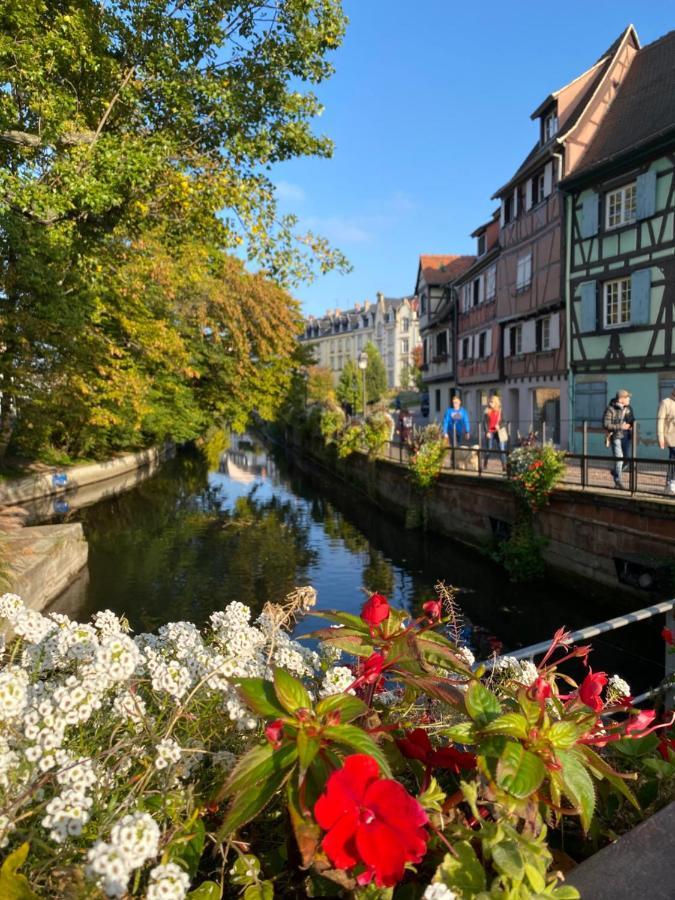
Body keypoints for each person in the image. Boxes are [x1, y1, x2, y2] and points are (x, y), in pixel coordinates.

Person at [603, 389, 634, 489]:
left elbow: (632, 419)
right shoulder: (610, 409)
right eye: (627, 397)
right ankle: (618, 481)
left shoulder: (628, 408)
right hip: (615, 436)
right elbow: (606, 424)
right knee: (619, 459)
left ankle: (615, 471)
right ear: (621, 399)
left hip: (626, 436)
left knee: (627, 459)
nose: (629, 399)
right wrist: (621, 426)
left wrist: (631, 425)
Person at [657, 386, 675, 495]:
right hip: (672, 437)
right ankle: (671, 483)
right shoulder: (666, 402)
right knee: (673, 459)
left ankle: (670, 483)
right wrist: (660, 437)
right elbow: (660, 421)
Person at [483, 395, 507, 471]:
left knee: (502, 449)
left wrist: (499, 426)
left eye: (492, 402)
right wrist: (487, 432)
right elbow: (485, 423)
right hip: (490, 432)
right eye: (489, 402)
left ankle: (504, 466)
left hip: (498, 432)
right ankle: (485, 463)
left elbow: (504, 421)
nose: (490, 403)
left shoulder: (500, 410)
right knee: (489, 449)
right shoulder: (487, 411)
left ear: (496, 402)